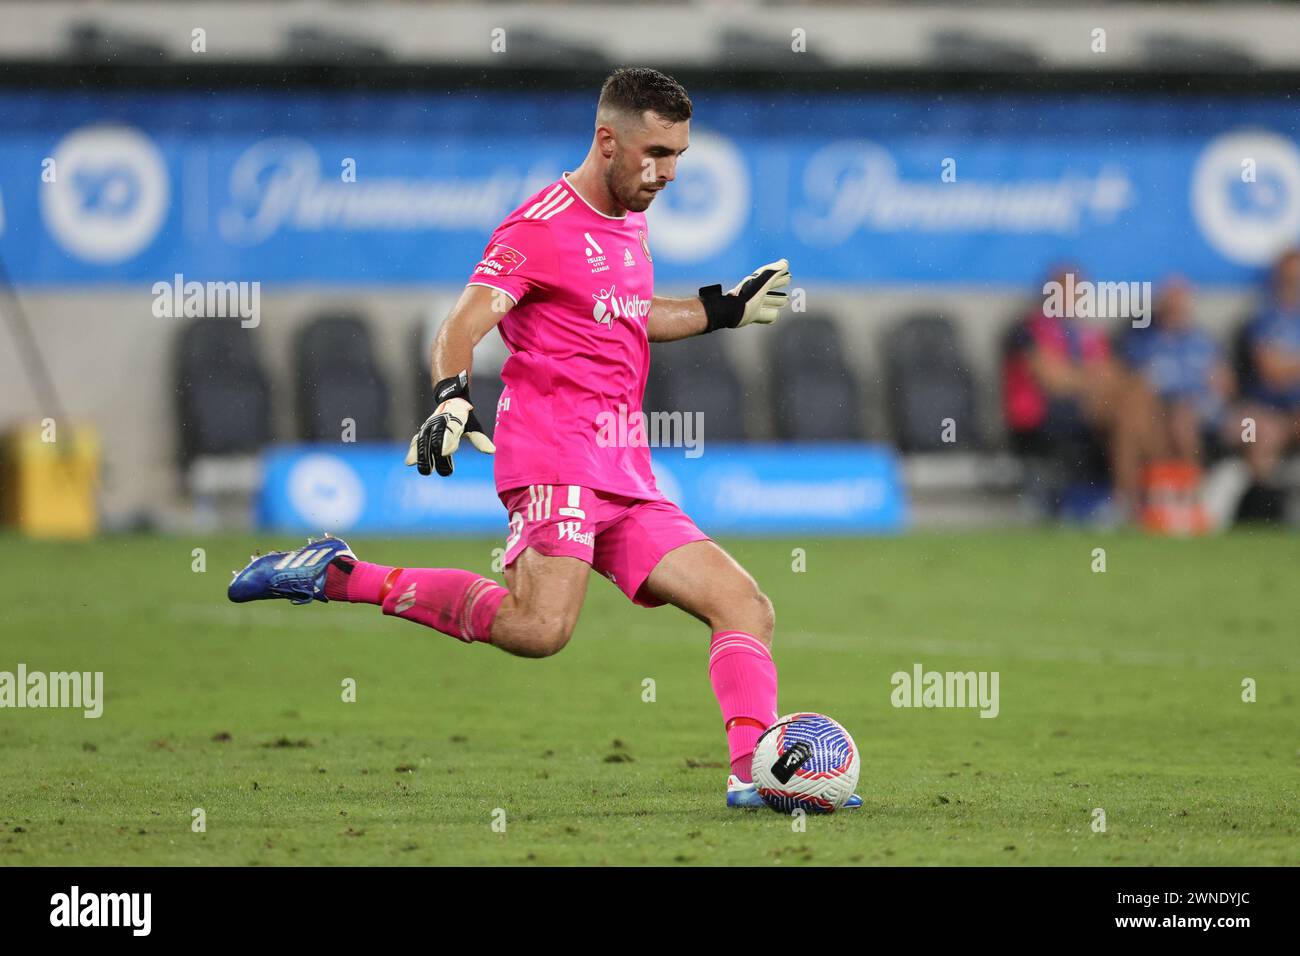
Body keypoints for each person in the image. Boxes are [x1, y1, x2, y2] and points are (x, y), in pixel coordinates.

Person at [228, 67, 859, 810]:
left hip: (624, 465)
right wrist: (451, 398)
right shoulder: (540, 228)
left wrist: (720, 309)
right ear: (606, 140)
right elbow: (463, 324)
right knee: (539, 629)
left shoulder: (632, 217)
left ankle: (749, 775)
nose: (667, 173)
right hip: (554, 453)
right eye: (655, 152)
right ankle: (342, 575)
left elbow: (626, 312)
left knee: (744, 605)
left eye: (679, 156)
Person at [1003, 267, 1170, 518]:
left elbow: (1109, 372)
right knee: (1132, 406)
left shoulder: (1087, 333)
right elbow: (1053, 380)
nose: (1075, 297)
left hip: (1091, 406)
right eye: (1068, 290)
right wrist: (1090, 378)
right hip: (1046, 412)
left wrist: (1085, 377)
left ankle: (1133, 499)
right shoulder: (1027, 330)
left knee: (1134, 404)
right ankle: (1163, 492)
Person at [1233, 248, 1300, 520]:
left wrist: (1288, 363)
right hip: (1263, 410)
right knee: (1261, 434)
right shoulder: (1264, 317)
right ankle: (1265, 510)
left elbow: (1281, 366)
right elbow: (1270, 369)